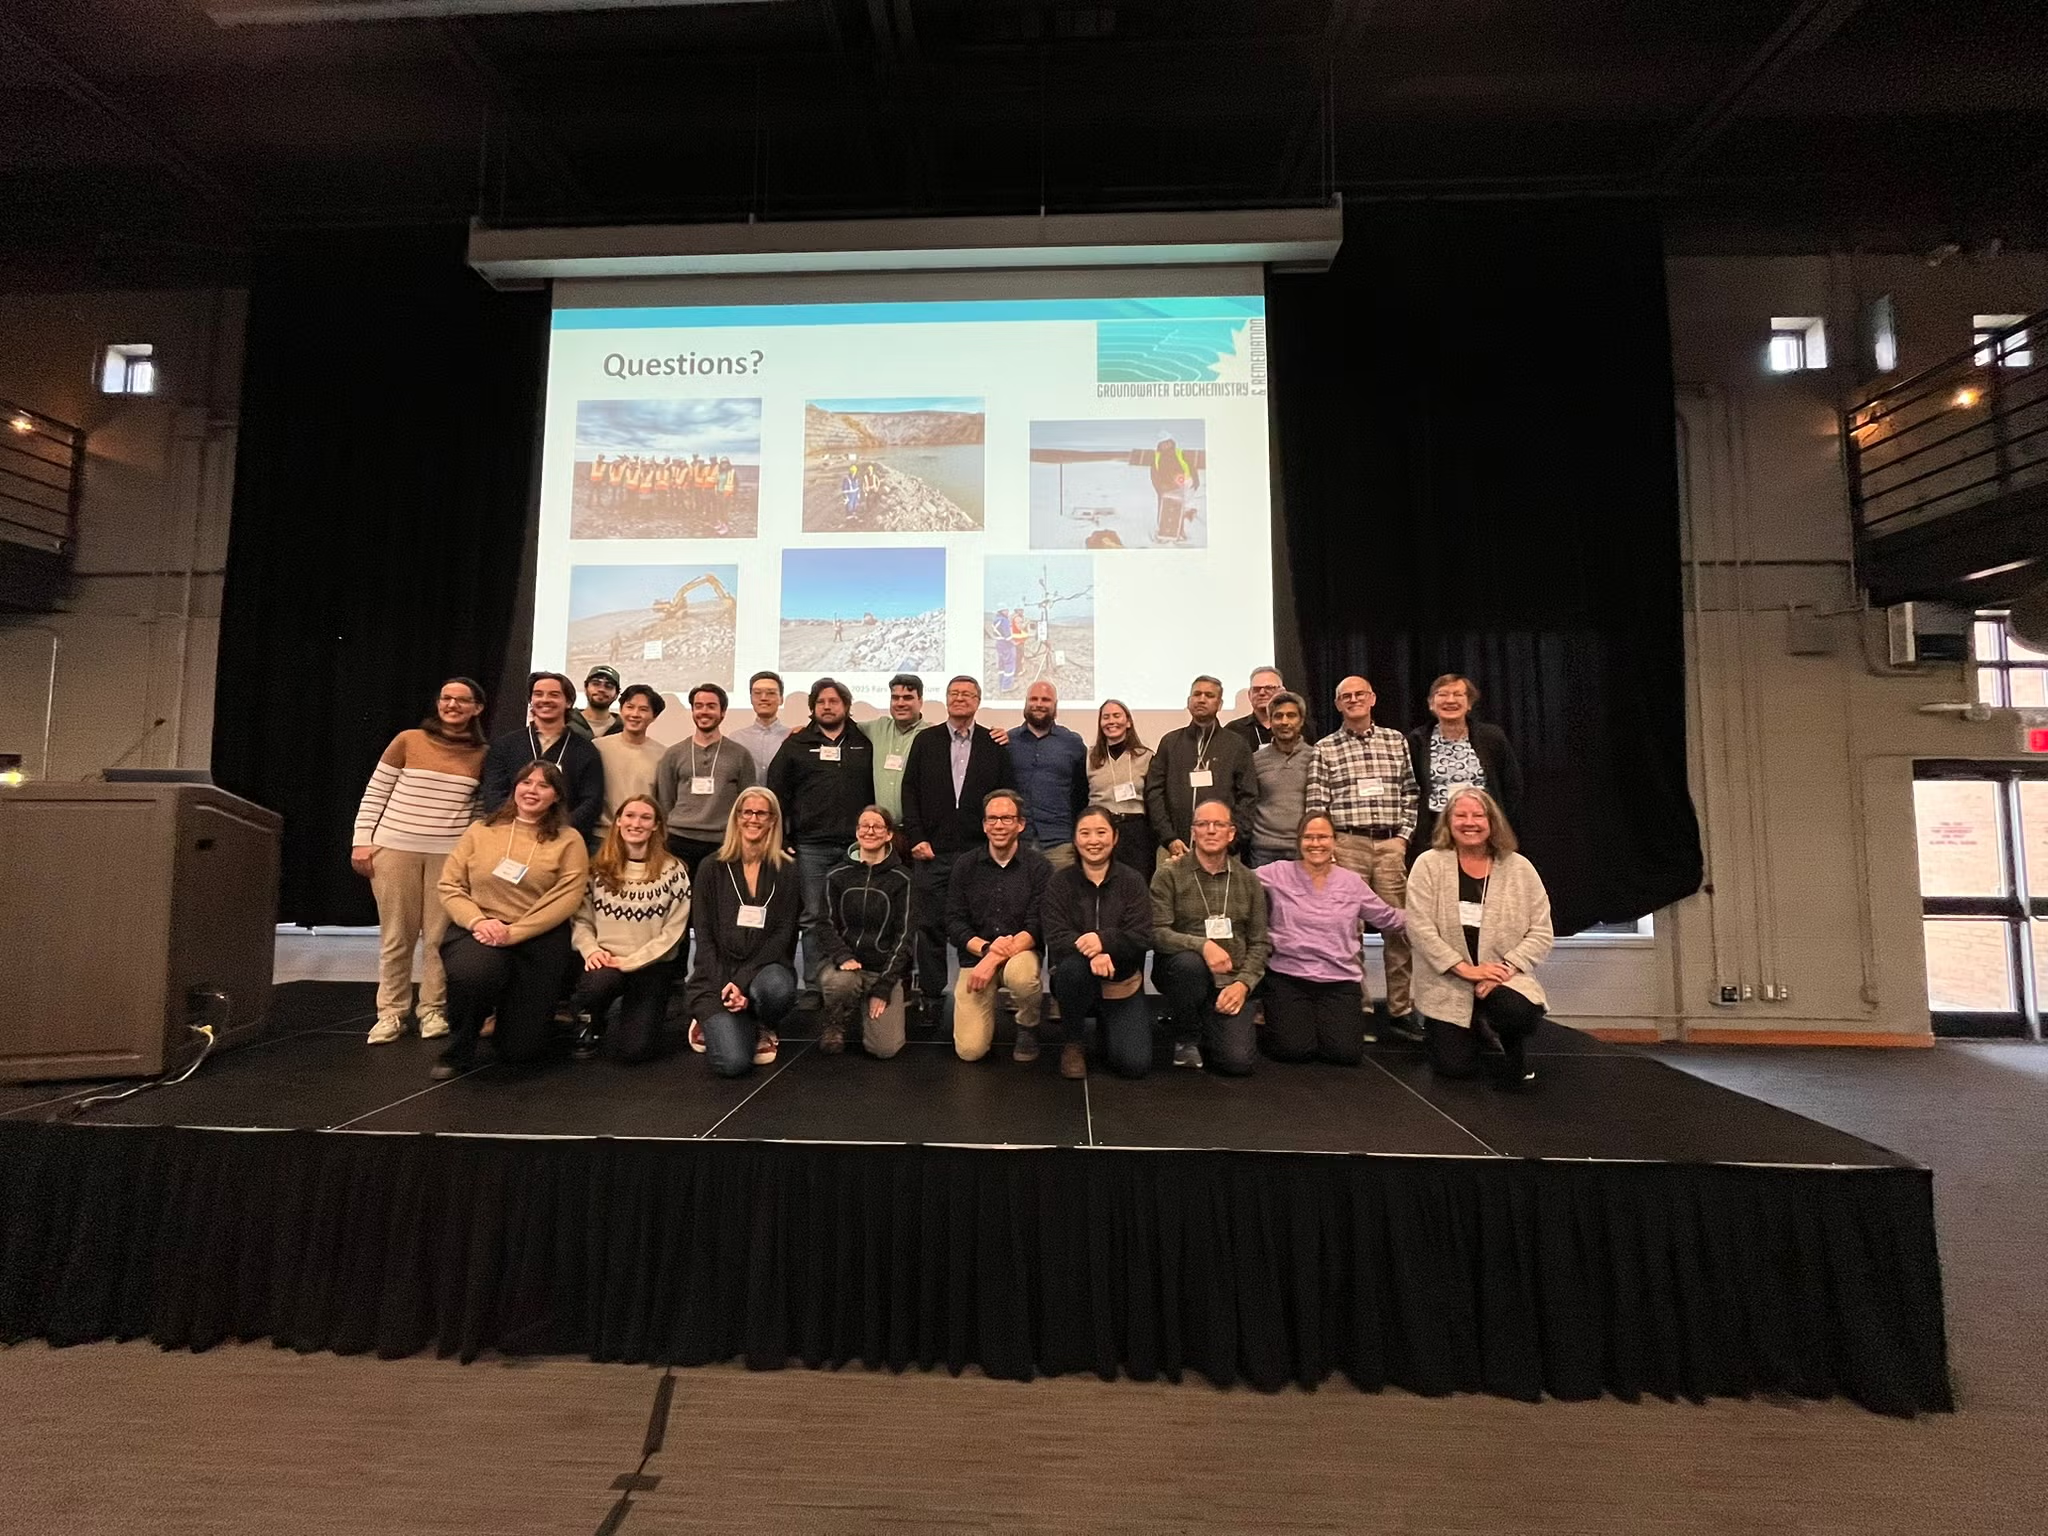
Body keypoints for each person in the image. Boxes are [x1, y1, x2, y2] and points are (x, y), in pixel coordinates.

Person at [350, 676, 489, 1044]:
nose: (452, 705)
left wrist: (469, 854)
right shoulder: (408, 740)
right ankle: (391, 1014)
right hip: (395, 849)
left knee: (439, 939)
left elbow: (477, 811)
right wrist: (362, 842)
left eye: (462, 700)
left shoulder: (481, 754)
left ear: (477, 708)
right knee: (397, 937)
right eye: (446, 698)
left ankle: (432, 1011)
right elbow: (375, 793)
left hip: (449, 856)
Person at [432, 759, 589, 1078]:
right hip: (480, 929)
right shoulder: (481, 830)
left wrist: (515, 933)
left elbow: (566, 898)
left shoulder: (569, 840)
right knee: (474, 975)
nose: (533, 790)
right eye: (526, 783)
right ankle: (459, 1049)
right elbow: (450, 885)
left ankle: (519, 1020)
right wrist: (478, 922)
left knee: (521, 1052)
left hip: (538, 937)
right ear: (515, 788)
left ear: (556, 796)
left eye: (544, 785)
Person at [1303, 675, 1424, 1043]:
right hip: (1347, 846)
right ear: (1337, 705)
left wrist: (1403, 839)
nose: (1353, 700)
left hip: (1389, 845)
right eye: (1345, 696)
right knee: (1347, 932)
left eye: (1359, 694)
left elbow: (1411, 792)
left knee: (1398, 930)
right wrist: (1329, 850)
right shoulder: (1324, 748)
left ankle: (1401, 1010)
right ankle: (1359, 1009)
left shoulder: (1395, 740)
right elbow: (1316, 806)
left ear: (1372, 698)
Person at [1406, 786, 1551, 1088]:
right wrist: (1465, 970)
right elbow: (1419, 929)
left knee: (1517, 1012)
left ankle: (1508, 1040)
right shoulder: (1428, 865)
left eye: (1478, 815)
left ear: (1492, 822)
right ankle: (1472, 1026)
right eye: (1460, 815)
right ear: (1448, 822)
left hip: (1501, 977)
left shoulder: (1520, 869)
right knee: (1454, 1068)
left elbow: (1541, 931)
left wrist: (1504, 969)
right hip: (1449, 980)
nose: (1469, 822)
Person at [900, 676, 1015, 1023]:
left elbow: (1006, 794)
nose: (960, 699)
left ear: (978, 701)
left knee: (978, 925)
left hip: (979, 854)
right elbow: (910, 791)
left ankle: (981, 991)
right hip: (932, 851)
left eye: (967, 694)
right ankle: (932, 997)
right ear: (946, 700)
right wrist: (917, 836)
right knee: (930, 926)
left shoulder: (993, 743)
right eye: (954, 694)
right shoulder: (926, 740)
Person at [1255, 813, 1406, 1064]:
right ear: (1299, 841)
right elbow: (1236, 878)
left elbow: (1388, 918)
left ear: (1334, 841)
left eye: (1323, 837)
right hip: (1289, 976)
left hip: (1339, 980)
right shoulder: (1277, 872)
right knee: (1294, 1051)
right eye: (1309, 837)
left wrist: (1432, 916)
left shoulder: (1352, 882)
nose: (1316, 844)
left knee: (1344, 1054)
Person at [766, 678, 876, 1001]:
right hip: (811, 845)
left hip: (857, 847)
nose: (827, 707)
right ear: (813, 707)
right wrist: (782, 835)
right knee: (814, 916)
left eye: (834, 701)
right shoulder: (796, 744)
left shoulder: (864, 740)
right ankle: (814, 985)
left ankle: (857, 979)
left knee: (856, 913)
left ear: (846, 706)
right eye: (821, 702)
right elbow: (776, 791)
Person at [685, 787, 800, 1077]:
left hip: (763, 969)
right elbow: (705, 933)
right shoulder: (711, 867)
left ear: (773, 820)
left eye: (761, 813)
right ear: (736, 818)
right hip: (717, 975)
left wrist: (743, 981)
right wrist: (727, 983)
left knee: (776, 988)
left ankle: (762, 1020)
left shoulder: (786, 870)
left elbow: (783, 933)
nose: (753, 818)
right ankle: (709, 1019)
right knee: (732, 1063)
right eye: (747, 812)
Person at [568, 795, 691, 1063]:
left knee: (634, 1051)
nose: (636, 823)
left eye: (645, 817)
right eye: (630, 816)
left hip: (650, 965)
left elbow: (674, 932)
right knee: (598, 983)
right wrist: (591, 951)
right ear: (618, 821)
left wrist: (632, 961)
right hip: (605, 961)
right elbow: (581, 920)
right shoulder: (596, 869)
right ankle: (591, 1019)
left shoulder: (674, 871)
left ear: (657, 825)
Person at [1150, 800, 1268, 1075]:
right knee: (1189, 965)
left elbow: (1260, 942)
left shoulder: (1249, 881)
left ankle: (1208, 1019)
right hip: (1182, 974)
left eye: (1219, 825)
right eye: (1203, 824)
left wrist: (1243, 985)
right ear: (1193, 832)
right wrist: (1202, 945)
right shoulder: (1169, 874)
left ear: (1231, 833)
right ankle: (1187, 1036)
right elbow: (1156, 933)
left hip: (1231, 980)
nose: (1211, 830)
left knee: (1236, 1063)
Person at [1043, 807, 1155, 1080]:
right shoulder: (1060, 881)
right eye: (1085, 833)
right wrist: (1092, 953)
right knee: (1071, 970)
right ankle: (1073, 1042)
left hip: (1121, 982)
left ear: (1115, 837)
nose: (1093, 840)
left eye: (1101, 832)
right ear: (1075, 839)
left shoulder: (1133, 880)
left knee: (1133, 1065)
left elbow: (1142, 936)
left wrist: (1104, 941)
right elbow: (1055, 935)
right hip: (1076, 979)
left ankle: (1110, 1025)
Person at [947, 789, 1051, 1063]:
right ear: (983, 825)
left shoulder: (1039, 867)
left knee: (1023, 979)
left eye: (1006, 818)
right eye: (992, 819)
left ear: (1020, 824)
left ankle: (1028, 1024)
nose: (999, 825)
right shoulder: (965, 865)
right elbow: (954, 921)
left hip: (1020, 953)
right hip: (976, 955)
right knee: (969, 1052)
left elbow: (1037, 924)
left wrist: (993, 957)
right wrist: (985, 950)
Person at [817, 805, 915, 1058]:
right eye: (864, 826)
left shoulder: (903, 879)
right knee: (839, 983)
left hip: (882, 970)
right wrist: (842, 956)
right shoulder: (836, 875)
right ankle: (836, 1019)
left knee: (884, 1049)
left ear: (888, 834)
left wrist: (883, 987)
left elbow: (904, 937)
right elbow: (824, 923)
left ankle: (870, 1002)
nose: (869, 831)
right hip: (847, 968)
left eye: (877, 826)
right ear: (857, 831)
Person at [1407, 673, 1525, 859]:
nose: (1450, 700)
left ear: (1469, 703)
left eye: (1458, 694)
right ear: (1431, 703)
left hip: (1483, 827)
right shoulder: (1418, 740)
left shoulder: (1491, 737)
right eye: (1442, 694)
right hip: (1435, 829)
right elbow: (1411, 787)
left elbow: (1512, 786)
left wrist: (1494, 819)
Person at [1145, 674, 1257, 867]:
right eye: (1197, 694)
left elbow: (1248, 797)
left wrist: (1231, 842)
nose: (1202, 699)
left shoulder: (1236, 745)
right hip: (1175, 848)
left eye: (1209, 695)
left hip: (1224, 850)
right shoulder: (1170, 742)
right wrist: (1168, 838)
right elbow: (1154, 792)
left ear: (1220, 704)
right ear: (1189, 702)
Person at [481, 671, 605, 845]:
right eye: (538, 694)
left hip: (561, 841)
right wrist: (520, 827)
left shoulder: (586, 750)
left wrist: (558, 830)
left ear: (568, 702)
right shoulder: (505, 745)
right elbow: (493, 793)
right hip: (509, 838)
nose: (545, 699)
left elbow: (591, 801)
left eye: (554, 695)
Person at [654, 681, 756, 878]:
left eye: (711, 706)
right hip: (679, 840)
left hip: (723, 842)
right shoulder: (673, 754)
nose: (704, 712)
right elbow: (665, 801)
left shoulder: (740, 754)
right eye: (698, 706)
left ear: (723, 712)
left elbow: (746, 802)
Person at [1008, 680, 1089, 870]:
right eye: (1033, 699)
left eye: (1045, 699)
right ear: (1026, 703)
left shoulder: (1073, 743)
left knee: (1062, 898)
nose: (1039, 704)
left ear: (1055, 706)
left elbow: (1082, 792)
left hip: (1060, 842)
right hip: (1017, 841)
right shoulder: (1008, 742)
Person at [1085, 699, 1156, 875]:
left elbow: (1153, 799)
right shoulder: (1089, 757)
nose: (1111, 721)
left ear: (1128, 721)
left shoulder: (1146, 757)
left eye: (1117, 716)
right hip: (1100, 829)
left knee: (1137, 883)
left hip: (1136, 832)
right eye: (1106, 717)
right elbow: (1079, 795)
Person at [1246, 690, 1312, 869]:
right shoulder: (1255, 760)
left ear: (1301, 721)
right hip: (1263, 850)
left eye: (1291, 716)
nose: (1284, 722)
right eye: (1278, 716)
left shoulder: (1315, 757)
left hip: (1303, 849)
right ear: (1270, 721)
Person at [593, 683, 666, 837]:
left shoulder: (663, 754)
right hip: (602, 836)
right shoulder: (598, 747)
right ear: (621, 710)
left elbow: (663, 801)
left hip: (642, 836)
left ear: (654, 716)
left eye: (643, 709)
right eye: (630, 707)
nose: (635, 714)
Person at [860, 672, 928, 833]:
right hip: (880, 831)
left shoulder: (932, 735)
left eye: (907, 697)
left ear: (920, 701)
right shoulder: (876, 728)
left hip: (918, 831)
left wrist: (997, 734)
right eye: (895, 698)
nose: (900, 703)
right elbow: (839, 726)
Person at [734, 669, 790, 779]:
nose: (763, 698)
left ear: (781, 699)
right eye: (757, 693)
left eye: (771, 693)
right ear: (751, 699)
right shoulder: (736, 738)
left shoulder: (792, 737)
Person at [1150, 432, 1200, 544]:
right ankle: (1163, 533)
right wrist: (1159, 489)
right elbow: (1154, 475)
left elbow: (1191, 467)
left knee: (1179, 509)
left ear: (1171, 442)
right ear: (1159, 444)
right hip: (1164, 488)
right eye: (1163, 443)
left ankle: (1179, 531)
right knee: (1164, 511)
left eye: (1167, 442)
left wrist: (1195, 481)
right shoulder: (1157, 457)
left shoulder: (1180, 453)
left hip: (1181, 485)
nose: (1165, 445)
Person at [1226, 666, 1285, 750]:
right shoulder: (1233, 730)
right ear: (1249, 695)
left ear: (1282, 692)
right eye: (1256, 689)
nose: (1262, 693)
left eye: (1269, 688)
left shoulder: (1298, 728)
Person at [569, 665, 624, 739]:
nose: (601, 689)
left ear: (616, 694)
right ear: (586, 688)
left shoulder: (623, 729)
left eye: (608, 686)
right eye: (596, 684)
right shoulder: (567, 723)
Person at [991, 609, 1018, 696]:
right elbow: (1008, 636)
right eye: (1005, 610)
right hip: (1006, 645)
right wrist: (1015, 643)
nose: (1007, 612)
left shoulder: (995, 620)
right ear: (1002, 611)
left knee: (1001, 665)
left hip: (999, 644)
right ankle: (1006, 686)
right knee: (1009, 664)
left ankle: (1001, 682)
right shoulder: (1004, 620)